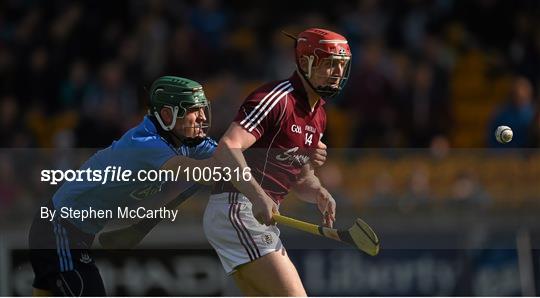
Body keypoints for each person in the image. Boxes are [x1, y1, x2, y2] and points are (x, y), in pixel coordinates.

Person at [28, 76, 217, 296]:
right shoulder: (146, 144)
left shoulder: (185, 141)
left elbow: (228, 156)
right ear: (168, 114)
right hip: (58, 229)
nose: (202, 117)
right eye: (194, 110)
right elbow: (202, 173)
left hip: (73, 234)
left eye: (203, 109)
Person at [203, 28, 352, 296]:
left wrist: (318, 190)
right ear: (306, 62)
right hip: (239, 209)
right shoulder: (277, 99)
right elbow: (227, 148)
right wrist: (258, 196)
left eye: (342, 65)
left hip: (250, 214)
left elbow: (301, 178)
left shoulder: (318, 115)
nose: (338, 72)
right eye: (330, 64)